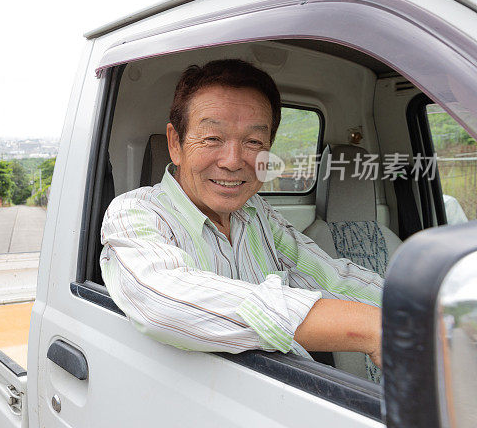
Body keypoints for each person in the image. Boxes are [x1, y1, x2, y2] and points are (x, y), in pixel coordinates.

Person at [100, 59, 383, 366]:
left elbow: (331, 278)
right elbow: (161, 300)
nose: (233, 161)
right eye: (212, 139)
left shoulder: (257, 213)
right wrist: (368, 327)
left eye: (253, 141)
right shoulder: (135, 213)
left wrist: (418, 310)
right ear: (175, 143)